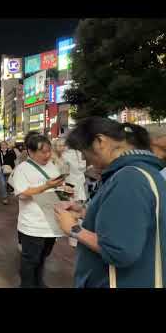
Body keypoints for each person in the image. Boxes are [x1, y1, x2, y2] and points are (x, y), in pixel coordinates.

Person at [54, 118, 166, 288]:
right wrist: (85, 211)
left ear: (100, 141)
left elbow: (120, 250)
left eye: (84, 153)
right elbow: (131, 221)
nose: (85, 160)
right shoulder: (143, 172)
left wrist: (74, 229)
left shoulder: (129, 178)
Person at [11, 132, 69, 288]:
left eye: (49, 150)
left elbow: (57, 188)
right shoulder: (22, 169)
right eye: (43, 152)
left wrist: (65, 190)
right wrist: (47, 186)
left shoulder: (52, 166)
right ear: (30, 151)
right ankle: (27, 284)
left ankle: (39, 282)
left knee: (43, 256)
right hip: (32, 225)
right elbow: (23, 193)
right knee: (30, 259)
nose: (47, 155)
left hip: (51, 222)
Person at [0, 141, 17, 205]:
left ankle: (6, 191)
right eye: (2, 145)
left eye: (4, 145)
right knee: (2, 183)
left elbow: (14, 158)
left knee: (7, 183)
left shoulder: (10, 152)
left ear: (7, 145)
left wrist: (11, 150)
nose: (3, 146)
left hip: (9, 170)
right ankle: (5, 198)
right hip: (1, 170)